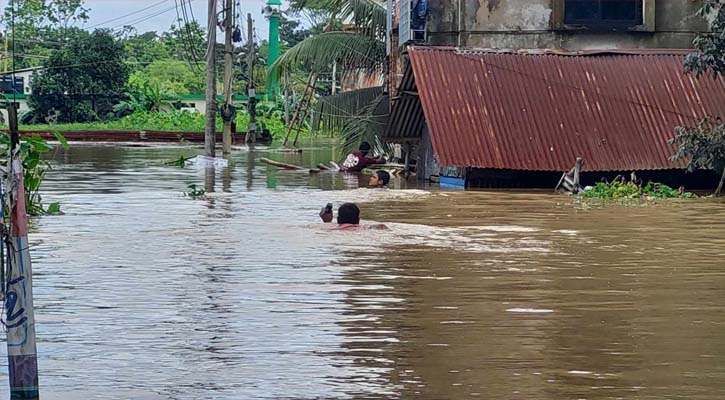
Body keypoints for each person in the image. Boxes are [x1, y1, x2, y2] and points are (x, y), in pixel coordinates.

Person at [319, 203, 388, 230]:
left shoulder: (331, 229)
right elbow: (382, 226)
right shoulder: (364, 228)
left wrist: (327, 222)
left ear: (338, 219)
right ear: (358, 220)